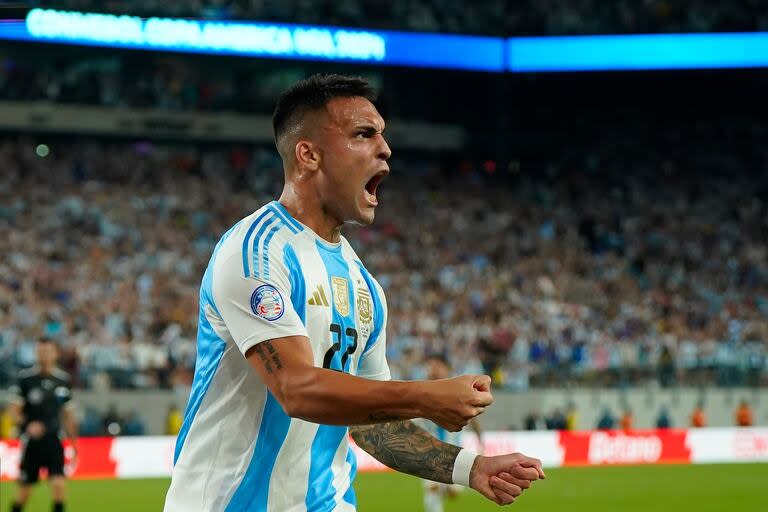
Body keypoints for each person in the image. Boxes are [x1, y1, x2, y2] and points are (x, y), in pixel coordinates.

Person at [164, 74, 545, 511]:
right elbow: (297, 388)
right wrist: (426, 397)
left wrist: (471, 468)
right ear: (308, 155)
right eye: (363, 134)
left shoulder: (363, 283)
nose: (384, 149)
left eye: (382, 135)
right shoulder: (256, 253)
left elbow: (372, 427)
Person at [7, 337, 78, 512]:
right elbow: (13, 410)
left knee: (59, 485)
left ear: (55, 354)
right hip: (32, 443)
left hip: (54, 440)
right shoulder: (26, 379)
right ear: (36, 353)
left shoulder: (62, 380)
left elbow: (68, 414)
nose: (44, 355)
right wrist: (28, 425)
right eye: (41, 351)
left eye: (47, 351)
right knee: (24, 491)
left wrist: (74, 444)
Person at [419, 355, 484, 512]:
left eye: (437, 365)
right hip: (429, 450)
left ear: (446, 368)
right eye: (430, 366)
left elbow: (472, 416)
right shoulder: (422, 390)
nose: (433, 369)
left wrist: (480, 437)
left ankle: (452, 486)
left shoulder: (457, 391)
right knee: (432, 491)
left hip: (454, 449)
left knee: (452, 493)